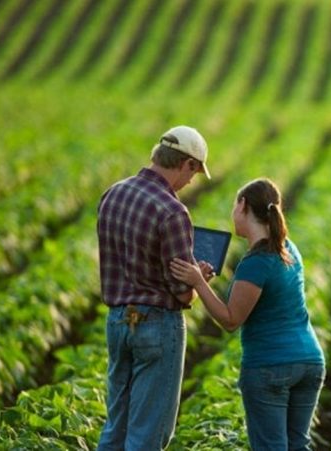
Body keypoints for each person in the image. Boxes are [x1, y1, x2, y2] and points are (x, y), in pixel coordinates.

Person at [170, 178, 326, 450]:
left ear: (242, 206)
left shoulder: (256, 263)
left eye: (234, 205)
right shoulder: (289, 249)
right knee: (298, 445)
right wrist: (203, 280)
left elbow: (231, 320)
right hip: (310, 361)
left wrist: (198, 282)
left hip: (271, 365)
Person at [96, 125, 215, 450]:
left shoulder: (113, 194)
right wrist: (198, 278)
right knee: (148, 435)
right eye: (194, 172)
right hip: (157, 326)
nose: (191, 181)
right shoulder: (173, 211)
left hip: (118, 321)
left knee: (115, 427)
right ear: (186, 164)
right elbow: (181, 292)